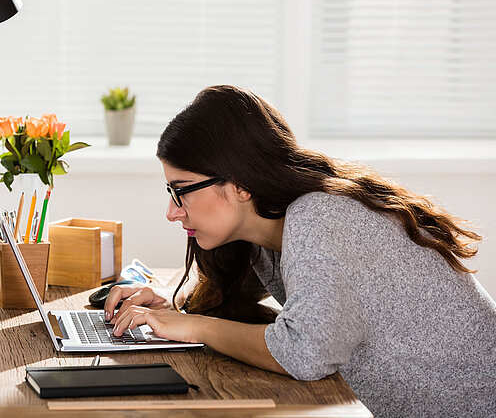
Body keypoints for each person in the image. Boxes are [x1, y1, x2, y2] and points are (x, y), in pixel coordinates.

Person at [104, 85, 496, 418]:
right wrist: (173, 310)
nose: (172, 211)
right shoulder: (267, 234)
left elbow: (306, 352)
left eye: (181, 190)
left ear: (239, 184)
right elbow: (276, 303)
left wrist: (192, 327)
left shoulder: (319, 216)